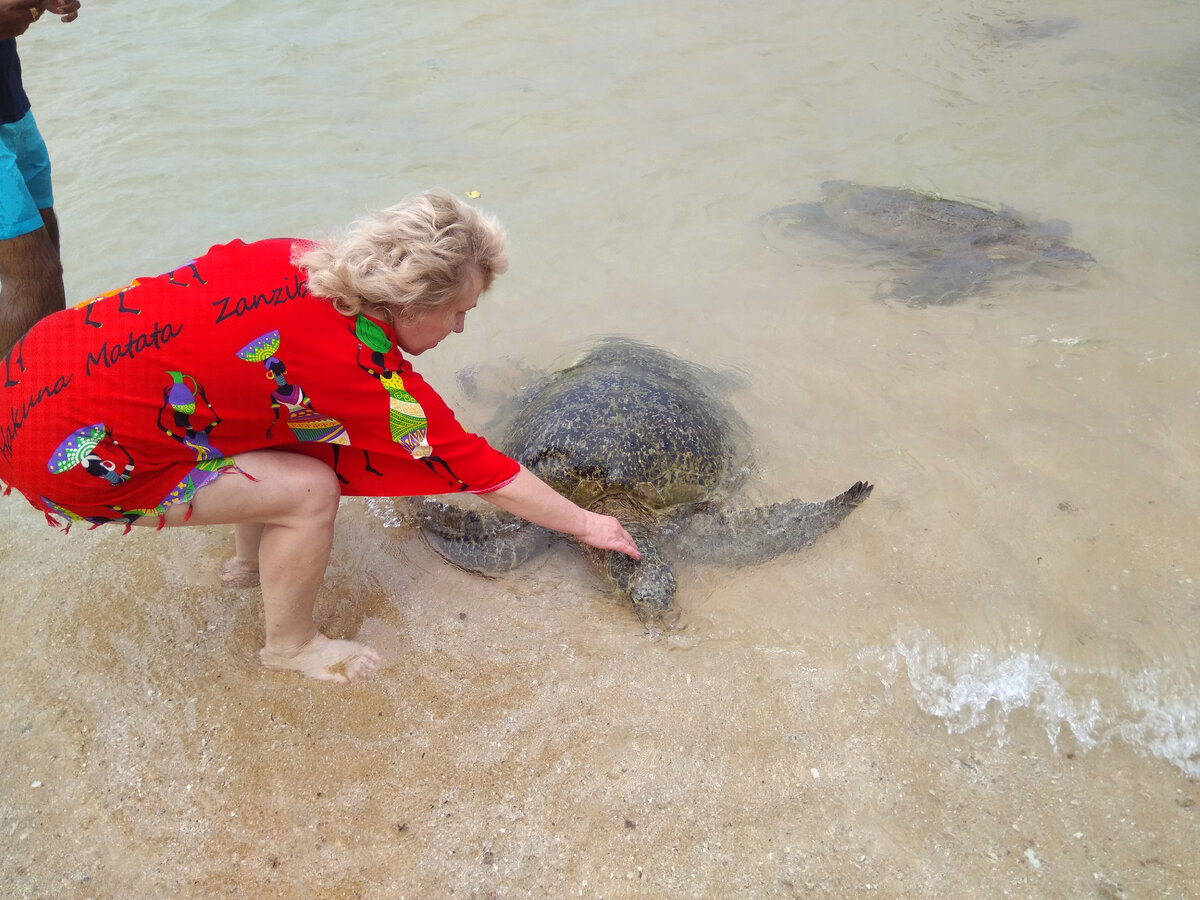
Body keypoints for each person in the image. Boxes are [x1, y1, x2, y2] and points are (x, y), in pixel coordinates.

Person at [0, 190, 641, 683]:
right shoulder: (357, 371)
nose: (463, 329)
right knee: (310, 489)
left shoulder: (295, 256)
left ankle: (247, 566)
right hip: (68, 462)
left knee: (284, 420)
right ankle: (290, 647)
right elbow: (478, 468)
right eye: (460, 312)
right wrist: (589, 525)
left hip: (26, 378)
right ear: (415, 305)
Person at [0, 0, 82, 362]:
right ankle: (14, 414)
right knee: (36, 276)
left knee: (48, 255)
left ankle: (44, 403)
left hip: (11, 105)